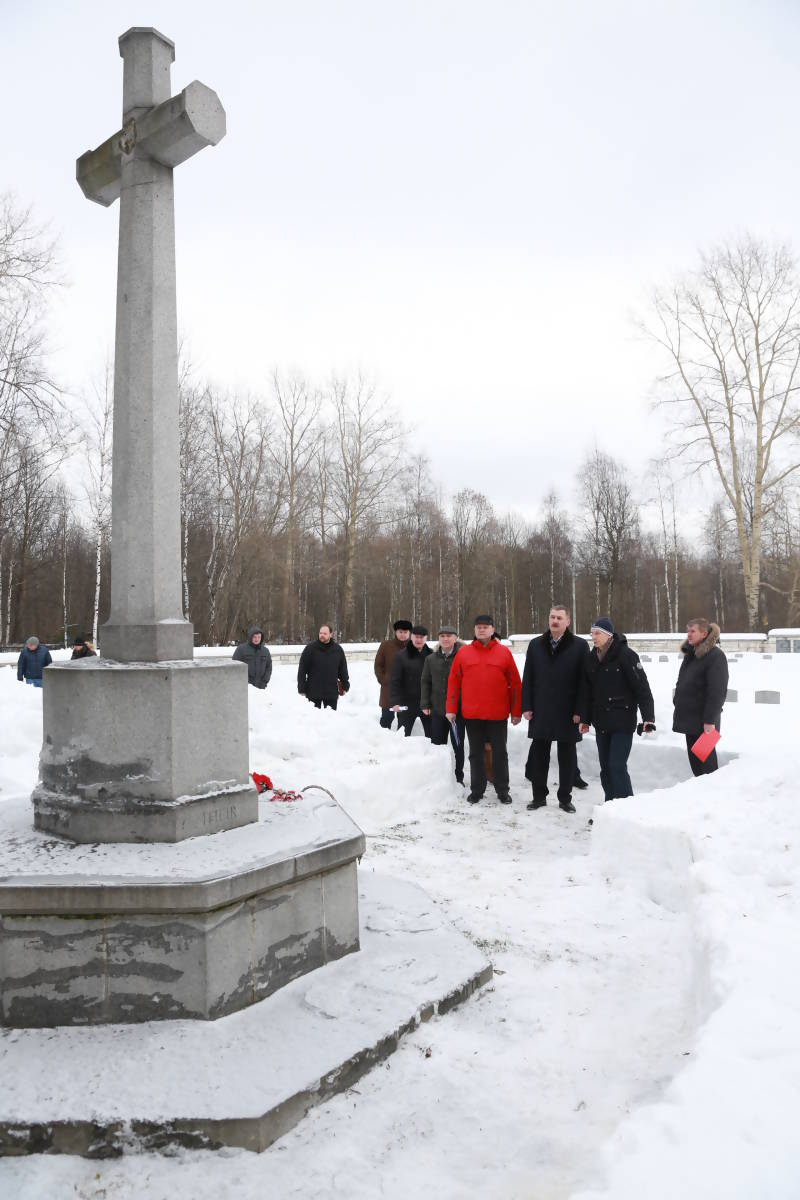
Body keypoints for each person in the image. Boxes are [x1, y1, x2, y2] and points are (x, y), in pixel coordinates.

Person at [445, 614, 521, 805]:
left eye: (486, 627)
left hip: (497, 714)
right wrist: (451, 709)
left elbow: (515, 684)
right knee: (475, 753)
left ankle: (502, 790)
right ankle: (477, 790)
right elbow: (454, 683)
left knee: (500, 753)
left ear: (492, 630)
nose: (481, 629)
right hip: (472, 714)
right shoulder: (464, 653)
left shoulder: (504, 653)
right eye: (478, 626)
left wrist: (516, 711)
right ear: (474, 630)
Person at [578, 618, 655, 804]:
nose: (593, 637)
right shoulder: (591, 658)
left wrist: (648, 718)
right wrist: (585, 719)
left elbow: (642, 688)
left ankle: (626, 808)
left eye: (597, 633)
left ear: (609, 635)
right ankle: (610, 807)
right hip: (601, 721)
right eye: (591, 633)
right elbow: (587, 692)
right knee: (605, 767)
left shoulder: (626, 655)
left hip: (622, 720)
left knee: (617, 765)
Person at [521, 604, 589, 813]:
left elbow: (584, 682)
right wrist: (527, 706)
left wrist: (581, 711)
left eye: (559, 618)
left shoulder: (579, 646)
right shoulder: (536, 645)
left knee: (567, 757)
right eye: (552, 617)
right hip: (541, 709)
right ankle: (539, 796)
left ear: (568, 621)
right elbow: (528, 677)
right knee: (539, 755)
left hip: (568, 711)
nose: (555, 621)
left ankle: (565, 798)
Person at [672, 618, 729, 776]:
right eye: (688, 631)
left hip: (706, 723)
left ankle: (713, 798)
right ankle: (700, 798)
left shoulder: (715, 656)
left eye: (693, 631)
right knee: (696, 768)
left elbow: (717, 691)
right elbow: (682, 681)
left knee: (707, 770)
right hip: (690, 720)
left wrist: (710, 720)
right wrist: (678, 700)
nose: (688, 634)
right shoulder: (691, 654)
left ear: (704, 634)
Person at [420, 624, 465, 784]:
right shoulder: (431, 659)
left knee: (458, 746)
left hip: (458, 712)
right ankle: (439, 778)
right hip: (438, 710)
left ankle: (458, 777)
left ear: (455, 638)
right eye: (442, 636)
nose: (445, 639)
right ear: (439, 639)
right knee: (437, 746)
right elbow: (425, 682)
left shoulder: (463, 656)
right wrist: (425, 704)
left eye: (449, 635)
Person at [389, 625, 432, 737]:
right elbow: (395, 680)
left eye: (422, 637)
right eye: (416, 637)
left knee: (432, 738)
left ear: (426, 638)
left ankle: (432, 755)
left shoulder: (432, 655)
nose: (418, 640)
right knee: (403, 736)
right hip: (406, 704)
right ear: (411, 637)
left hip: (427, 705)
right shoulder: (401, 656)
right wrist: (395, 701)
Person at [297, 623, 349, 710]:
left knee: (330, 720)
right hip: (313, 692)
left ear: (331, 635)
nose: (322, 635)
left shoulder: (338, 650)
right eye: (320, 633)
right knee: (312, 721)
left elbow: (343, 669)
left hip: (331, 692)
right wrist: (301, 687)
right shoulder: (310, 649)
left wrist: (345, 684)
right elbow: (302, 669)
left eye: (325, 634)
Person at [374, 619, 412, 728]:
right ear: (395, 632)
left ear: (409, 633)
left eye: (405, 632)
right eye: (400, 632)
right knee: (387, 718)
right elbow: (378, 665)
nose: (403, 635)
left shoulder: (413, 647)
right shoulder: (386, 645)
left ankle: (402, 743)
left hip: (406, 691)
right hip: (388, 690)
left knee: (404, 721)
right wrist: (383, 679)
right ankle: (383, 741)